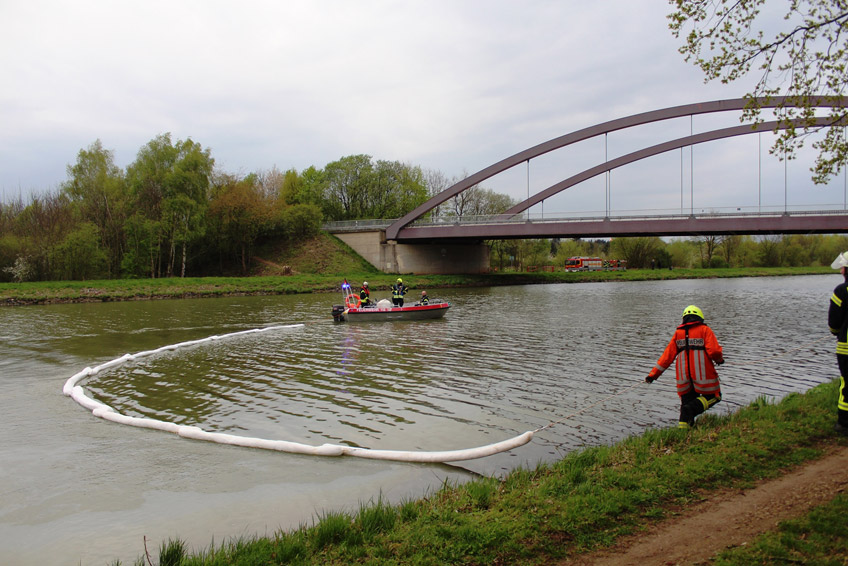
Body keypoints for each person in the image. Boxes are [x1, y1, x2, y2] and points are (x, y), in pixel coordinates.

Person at [645, 305, 725, 429]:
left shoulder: (678, 333)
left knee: (686, 405)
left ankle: (683, 433)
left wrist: (652, 376)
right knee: (715, 396)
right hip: (703, 377)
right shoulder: (705, 330)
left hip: (684, 379)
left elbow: (666, 358)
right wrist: (720, 360)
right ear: (700, 317)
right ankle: (691, 409)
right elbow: (714, 351)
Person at [828, 251, 848, 436]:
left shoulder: (841, 291)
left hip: (846, 348)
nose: (841, 270)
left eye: (843, 267)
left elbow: (833, 323)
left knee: (846, 383)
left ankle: (844, 423)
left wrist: (837, 332)